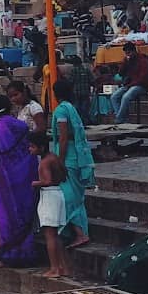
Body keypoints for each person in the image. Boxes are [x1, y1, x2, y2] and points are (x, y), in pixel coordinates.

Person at [0, 95, 40, 265]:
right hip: (25, 173)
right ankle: (27, 253)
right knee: (25, 210)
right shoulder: (22, 126)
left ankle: (10, 255)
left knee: (6, 215)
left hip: (4, 177)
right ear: (10, 107)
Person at [51, 78, 93, 247]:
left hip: (68, 158)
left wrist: (60, 160)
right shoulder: (71, 108)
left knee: (69, 197)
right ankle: (78, 232)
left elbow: (63, 136)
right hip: (76, 155)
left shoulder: (61, 110)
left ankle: (80, 233)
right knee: (76, 197)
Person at [31, 132, 69, 278]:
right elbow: (64, 175)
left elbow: (47, 181)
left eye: (32, 147)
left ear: (40, 147)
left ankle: (54, 268)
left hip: (49, 195)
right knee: (55, 235)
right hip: (58, 193)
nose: (30, 150)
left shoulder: (45, 162)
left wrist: (35, 183)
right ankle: (62, 267)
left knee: (49, 235)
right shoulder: (54, 157)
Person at [111, 42, 148, 125]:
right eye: (126, 53)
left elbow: (142, 79)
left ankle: (119, 119)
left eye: (129, 53)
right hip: (129, 85)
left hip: (141, 86)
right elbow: (120, 73)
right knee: (114, 97)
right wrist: (124, 63)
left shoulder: (143, 61)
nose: (128, 55)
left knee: (125, 97)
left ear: (134, 51)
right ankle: (123, 119)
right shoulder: (128, 61)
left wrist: (130, 86)